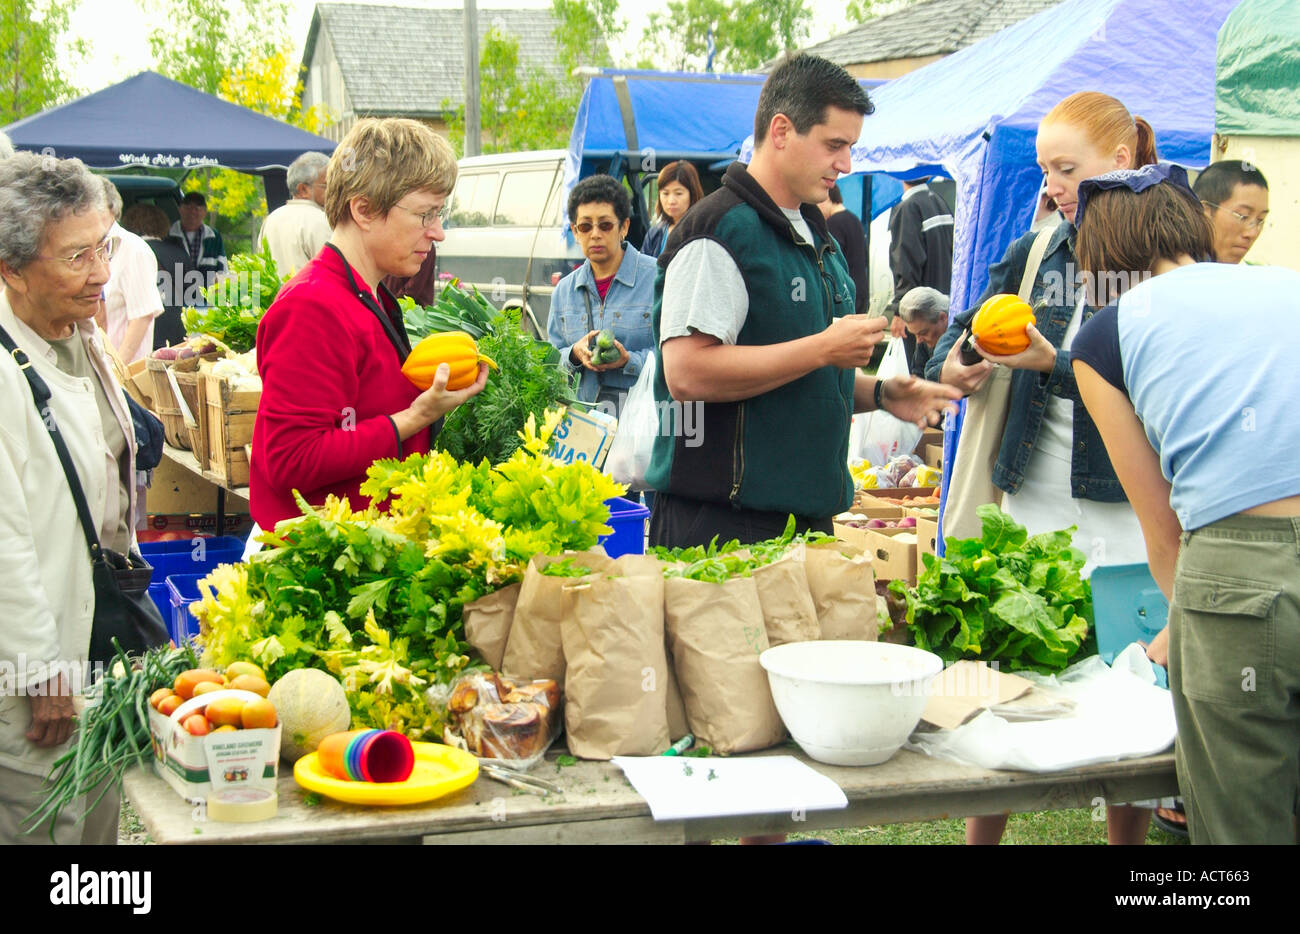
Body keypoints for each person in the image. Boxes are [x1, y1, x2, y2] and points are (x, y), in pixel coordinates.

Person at [926, 91, 1160, 846]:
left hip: (1124, 508)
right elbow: (962, 332)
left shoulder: (1159, 254)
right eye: (1045, 169)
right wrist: (964, 359)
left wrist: (1054, 362)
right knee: (1006, 681)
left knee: (1133, 693)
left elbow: (1149, 385)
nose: (1052, 185)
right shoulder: (1038, 248)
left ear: (1120, 163)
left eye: (1067, 168)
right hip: (1031, 495)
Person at [1070, 164, 1300, 845]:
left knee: (1241, 829)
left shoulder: (1105, 337)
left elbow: (1163, 526)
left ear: (1101, 262)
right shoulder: (1287, 286)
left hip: (1235, 576)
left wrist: (1188, 625)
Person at [646, 54, 959, 550]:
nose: (847, 164)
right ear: (782, 130)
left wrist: (880, 393)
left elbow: (797, 370)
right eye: (834, 144)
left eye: (851, 147)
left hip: (800, 524)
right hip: (724, 529)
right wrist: (823, 348)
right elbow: (687, 374)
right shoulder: (718, 230)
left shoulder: (815, 232)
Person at [250, 118, 488, 531]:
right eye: (424, 214)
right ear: (363, 209)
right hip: (325, 565)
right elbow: (290, 460)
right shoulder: (313, 306)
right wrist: (414, 418)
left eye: (440, 213)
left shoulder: (368, 293)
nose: (438, 232)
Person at [0, 152, 137, 844]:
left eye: (104, 246)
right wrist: (39, 670)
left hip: (90, 643)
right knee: (46, 827)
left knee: (95, 829)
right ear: (12, 268)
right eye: (77, 256)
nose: (103, 273)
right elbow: (4, 541)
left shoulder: (75, 334)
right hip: (31, 676)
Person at [547, 174, 657, 419]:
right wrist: (574, 354)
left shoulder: (658, 278)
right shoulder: (564, 291)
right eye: (585, 226)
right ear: (575, 231)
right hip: (583, 431)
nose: (595, 234)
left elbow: (678, 357)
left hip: (639, 428)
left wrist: (630, 361)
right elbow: (549, 359)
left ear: (624, 227)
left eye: (605, 225)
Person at [886, 177, 954, 364]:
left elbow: (906, 263)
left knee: (920, 371)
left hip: (919, 313)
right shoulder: (939, 201)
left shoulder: (908, 207)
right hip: (943, 309)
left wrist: (900, 312)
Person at [100, 179, 163, 364]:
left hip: (124, 376)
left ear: (111, 209)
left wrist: (118, 373)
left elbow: (142, 317)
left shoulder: (134, 250)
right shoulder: (88, 247)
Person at [120, 203, 193, 351]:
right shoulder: (179, 254)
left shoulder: (127, 254)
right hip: (176, 333)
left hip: (142, 335)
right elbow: (192, 295)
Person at [255, 150, 333, 276]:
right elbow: (333, 272)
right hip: (310, 295)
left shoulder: (271, 219)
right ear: (303, 189)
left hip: (276, 295)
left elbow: (260, 267)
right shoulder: (319, 220)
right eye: (327, 185)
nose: (333, 191)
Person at [1191, 159, 1269, 264]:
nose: (1253, 233)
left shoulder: (1257, 276)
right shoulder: (1171, 272)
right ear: (1204, 212)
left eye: (1260, 220)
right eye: (1243, 216)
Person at [819, 183, 869, 314]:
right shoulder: (854, 219)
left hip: (846, 292)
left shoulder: (833, 224)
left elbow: (833, 263)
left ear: (828, 197)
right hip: (862, 289)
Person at [641, 161, 704, 258]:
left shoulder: (703, 233)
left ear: (692, 194)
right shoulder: (655, 233)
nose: (671, 201)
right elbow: (644, 269)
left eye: (678, 193)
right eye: (665, 193)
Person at [170, 191, 227, 290]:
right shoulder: (168, 236)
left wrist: (221, 298)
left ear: (204, 212)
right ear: (180, 210)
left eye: (197, 209)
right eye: (188, 208)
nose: (192, 212)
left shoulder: (214, 237)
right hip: (175, 299)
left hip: (207, 301)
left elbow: (223, 270)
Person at [896, 286, 948, 376]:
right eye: (914, 334)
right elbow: (918, 373)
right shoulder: (923, 339)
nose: (918, 340)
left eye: (923, 333)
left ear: (943, 318)